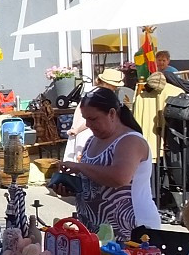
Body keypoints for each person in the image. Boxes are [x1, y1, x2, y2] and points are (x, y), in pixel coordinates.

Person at [57, 86, 160, 241]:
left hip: (133, 230)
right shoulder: (92, 140)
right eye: (85, 119)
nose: (88, 124)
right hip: (98, 229)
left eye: (93, 119)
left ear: (112, 113)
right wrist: (73, 189)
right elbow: (96, 181)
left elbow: (119, 178)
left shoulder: (130, 140)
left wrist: (80, 167)